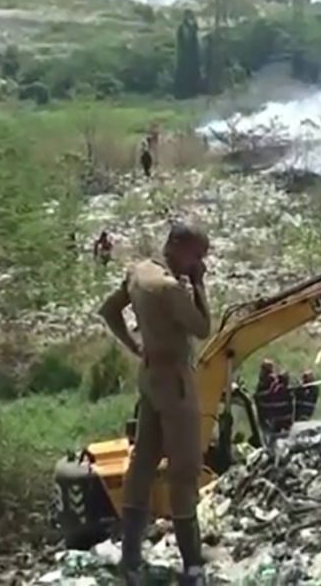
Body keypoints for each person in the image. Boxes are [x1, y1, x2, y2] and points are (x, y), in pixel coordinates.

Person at [97, 222, 212, 586]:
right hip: (176, 383)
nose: (199, 262)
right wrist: (199, 284)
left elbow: (109, 311)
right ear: (177, 247)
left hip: (149, 378)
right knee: (185, 469)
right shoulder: (170, 288)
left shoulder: (139, 273)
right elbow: (203, 327)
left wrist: (134, 347)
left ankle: (131, 557)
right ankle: (192, 563)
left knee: (143, 461)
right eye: (196, 255)